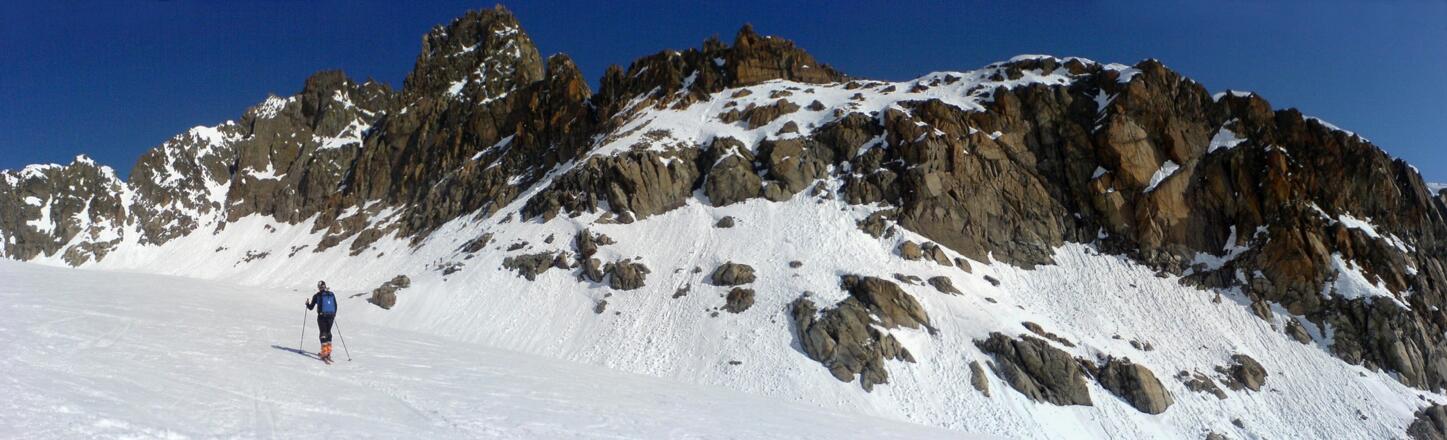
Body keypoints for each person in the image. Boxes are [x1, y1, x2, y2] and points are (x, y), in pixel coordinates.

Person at [306, 281, 338, 362]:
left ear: (319, 287)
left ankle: (324, 353)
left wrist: (307, 304)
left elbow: (311, 307)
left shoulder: (317, 296)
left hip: (322, 317)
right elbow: (335, 305)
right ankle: (328, 353)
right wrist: (333, 314)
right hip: (331, 316)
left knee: (323, 334)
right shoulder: (331, 294)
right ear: (325, 286)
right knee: (328, 333)